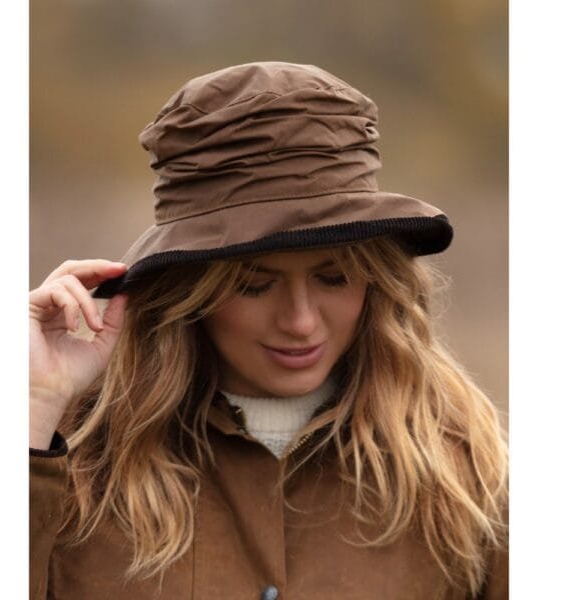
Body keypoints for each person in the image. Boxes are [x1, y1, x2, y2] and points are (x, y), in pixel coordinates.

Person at [29, 62, 508, 599]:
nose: (300, 322)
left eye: (335, 277)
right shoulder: (68, 466)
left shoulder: (467, 477)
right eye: (255, 286)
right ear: (188, 292)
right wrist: (31, 406)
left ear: (377, 282)